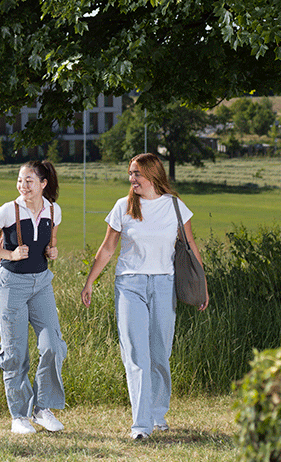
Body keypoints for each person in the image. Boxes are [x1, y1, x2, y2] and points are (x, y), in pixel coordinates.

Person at [80, 153, 209, 441]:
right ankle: (141, 425)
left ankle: (157, 413)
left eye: (136, 173)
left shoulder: (175, 207)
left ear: (152, 174)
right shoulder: (123, 207)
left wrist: (203, 284)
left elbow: (190, 246)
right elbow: (107, 249)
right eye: (130, 173)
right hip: (130, 285)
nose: (132, 179)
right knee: (136, 354)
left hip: (164, 283)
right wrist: (90, 281)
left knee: (160, 353)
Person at [0, 160, 67, 434]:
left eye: (29, 181)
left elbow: (51, 243)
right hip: (11, 285)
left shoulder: (53, 210)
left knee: (53, 345)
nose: (23, 186)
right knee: (16, 352)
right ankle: (19, 416)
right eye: (20, 180)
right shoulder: (8, 210)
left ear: (43, 184)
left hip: (42, 283)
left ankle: (41, 408)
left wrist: (53, 252)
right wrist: (9, 255)